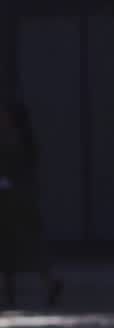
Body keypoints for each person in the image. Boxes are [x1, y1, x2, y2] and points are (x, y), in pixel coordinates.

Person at [0, 102, 63, 308]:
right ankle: (49, 281)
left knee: (9, 247)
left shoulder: (11, 140)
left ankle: (12, 293)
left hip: (10, 200)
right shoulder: (25, 140)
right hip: (24, 199)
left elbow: (10, 170)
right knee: (31, 244)